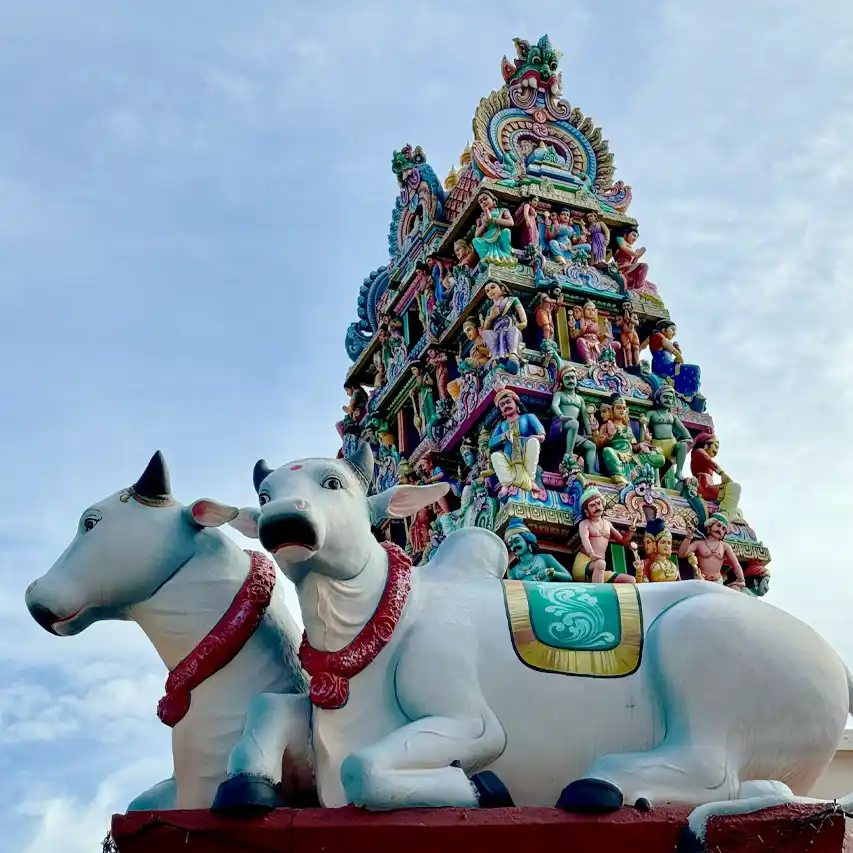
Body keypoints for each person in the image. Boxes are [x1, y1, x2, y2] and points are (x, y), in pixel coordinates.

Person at [488, 386, 547, 500]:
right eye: (502, 405)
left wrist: (536, 437)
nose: (506, 406)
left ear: (516, 404)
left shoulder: (528, 417)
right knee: (495, 456)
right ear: (501, 411)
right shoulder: (502, 425)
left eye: (508, 402)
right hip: (509, 458)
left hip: (526, 455)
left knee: (533, 442)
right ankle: (506, 484)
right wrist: (503, 436)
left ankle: (530, 480)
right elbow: (490, 443)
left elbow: (541, 434)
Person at [573, 487, 638, 584]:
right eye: (592, 506)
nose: (597, 507)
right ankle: (598, 595)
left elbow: (622, 541)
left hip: (599, 567)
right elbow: (584, 538)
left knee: (630, 580)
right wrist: (591, 554)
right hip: (583, 565)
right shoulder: (585, 523)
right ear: (586, 511)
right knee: (600, 564)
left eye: (598, 503)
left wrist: (631, 531)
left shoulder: (608, 524)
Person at [549, 364, 598, 474]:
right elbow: (554, 405)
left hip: (572, 430)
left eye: (572, 377)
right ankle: (569, 455)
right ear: (562, 382)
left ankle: (591, 472)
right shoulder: (559, 394)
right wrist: (561, 416)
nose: (570, 380)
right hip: (559, 426)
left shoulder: (580, 399)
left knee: (591, 446)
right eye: (567, 378)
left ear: (576, 380)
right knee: (574, 423)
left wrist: (589, 433)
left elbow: (585, 416)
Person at [678, 512, 746, 589]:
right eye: (718, 525)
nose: (720, 529)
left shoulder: (725, 546)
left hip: (718, 582)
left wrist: (741, 579)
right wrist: (689, 537)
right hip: (701, 580)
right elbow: (682, 554)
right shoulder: (698, 543)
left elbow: (735, 564)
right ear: (710, 525)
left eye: (723, 529)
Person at [690, 433, 744, 523]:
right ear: (706, 444)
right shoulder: (698, 451)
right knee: (734, 487)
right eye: (715, 446)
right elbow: (709, 462)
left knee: (735, 503)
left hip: (707, 486)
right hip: (703, 487)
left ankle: (729, 512)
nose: (716, 450)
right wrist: (722, 473)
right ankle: (725, 514)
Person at [504, 518, 573, 582]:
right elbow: (511, 589)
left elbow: (568, 577)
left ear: (527, 541)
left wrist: (550, 572)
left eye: (517, 540)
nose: (514, 546)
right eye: (511, 544)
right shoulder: (513, 571)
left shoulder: (545, 558)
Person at [472, 191, 518, 266]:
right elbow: (476, 235)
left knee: (506, 231)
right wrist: (484, 224)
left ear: (493, 201)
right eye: (481, 202)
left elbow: (511, 223)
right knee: (476, 241)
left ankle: (507, 255)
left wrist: (493, 220)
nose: (483, 202)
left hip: (499, 234)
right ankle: (485, 260)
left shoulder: (502, 210)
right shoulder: (481, 218)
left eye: (485, 199)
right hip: (487, 237)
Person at [631, 518, 679, 582]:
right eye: (663, 542)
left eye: (669, 543)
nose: (666, 545)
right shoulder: (646, 563)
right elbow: (641, 586)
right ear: (655, 545)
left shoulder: (672, 564)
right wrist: (639, 572)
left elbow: (680, 583)